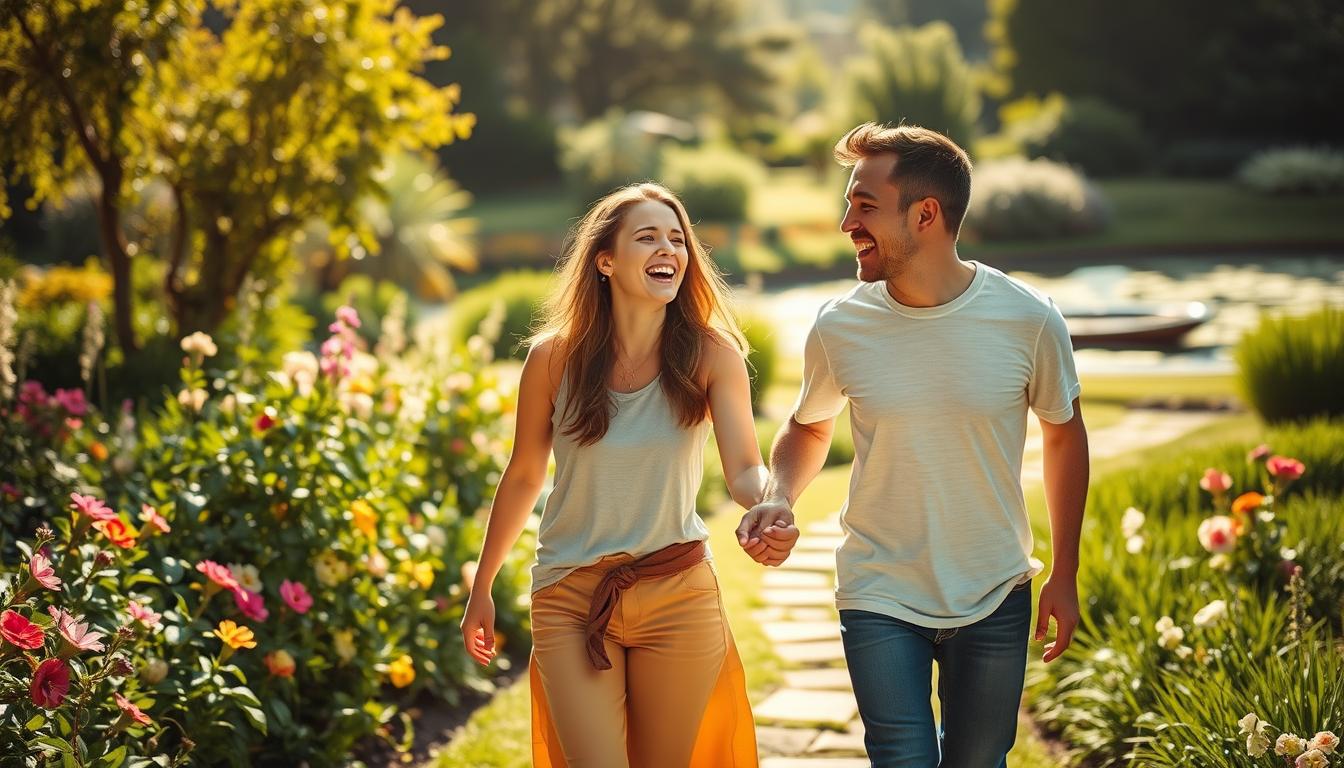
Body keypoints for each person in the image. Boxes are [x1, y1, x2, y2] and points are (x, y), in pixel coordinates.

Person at [737, 123, 1090, 767]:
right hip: (879, 589)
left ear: (925, 213)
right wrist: (780, 495)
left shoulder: (1029, 319)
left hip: (994, 591)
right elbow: (810, 424)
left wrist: (1063, 572)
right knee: (901, 758)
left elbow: (1065, 435)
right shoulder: (842, 323)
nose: (847, 222)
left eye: (865, 205)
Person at [460, 182, 764, 768]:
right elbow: (524, 474)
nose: (668, 250)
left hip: (678, 592)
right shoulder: (552, 358)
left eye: (678, 240)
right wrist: (482, 587)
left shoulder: (712, 355)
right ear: (605, 260)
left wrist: (766, 505)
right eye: (647, 237)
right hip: (570, 598)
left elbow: (745, 467)